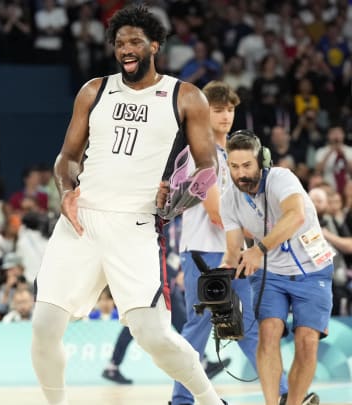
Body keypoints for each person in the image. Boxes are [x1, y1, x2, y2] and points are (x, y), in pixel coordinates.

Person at [30, 5, 223, 405]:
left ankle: (209, 400)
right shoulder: (94, 90)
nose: (126, 49)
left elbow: (207, 168)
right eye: (119, 43)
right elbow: (66, 157)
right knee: (44, 325)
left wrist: (177, 201)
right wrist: (66, 189)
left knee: (153, 336)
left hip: (135, 224)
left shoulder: (186, 97)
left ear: (154, 45)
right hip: (81, 221)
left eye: (135, 41)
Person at [170, 81, 290, 405]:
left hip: (230, 251)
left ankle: (282, 393)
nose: (225, 116)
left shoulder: (231, 156)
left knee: (244, 326)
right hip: (203, 251)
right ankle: (181, 399)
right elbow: (214, 211)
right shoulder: (201, 152)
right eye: (218, 109)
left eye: (230, 109)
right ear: (204, 112)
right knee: (199, 326)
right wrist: (255, 235)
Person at [220, 131, 332, 405]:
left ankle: (294, 403)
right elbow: (234, 250)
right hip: (270, 274)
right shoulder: (228, 198)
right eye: (234, 167)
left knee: (307, 342)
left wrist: (259, 249)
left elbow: (296, 215)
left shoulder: (282, 178)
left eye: (247, 165)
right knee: (268, 334)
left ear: (262, 161)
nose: (240, 174)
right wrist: (221, 279)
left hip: (313, 268)